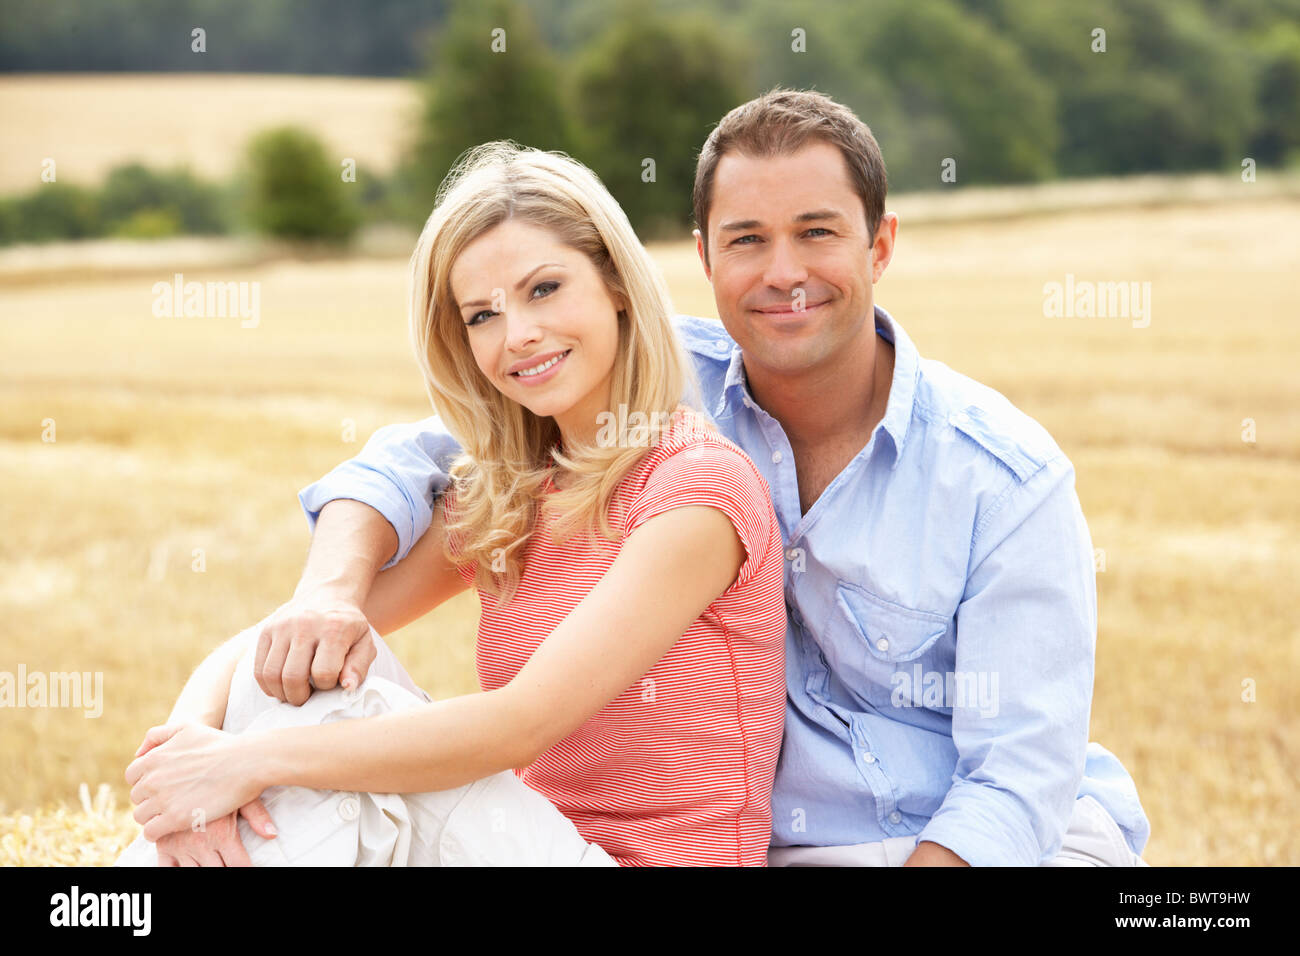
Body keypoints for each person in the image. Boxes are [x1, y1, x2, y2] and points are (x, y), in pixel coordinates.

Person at [267, 88, 1153, 867]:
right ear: (702, 258)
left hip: (1000, 847)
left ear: (880, 245)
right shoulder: (645, 380)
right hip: (796, 848)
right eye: (747, 240)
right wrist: (329, 595)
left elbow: (1018, 779)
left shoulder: (1004, 478)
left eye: (817, 234)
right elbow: (419, 459)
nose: (783, 274)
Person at [118, 142, 788, 867]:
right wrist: (184, 763)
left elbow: (517, 727)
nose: (518, 335)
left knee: (340, 709)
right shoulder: (511, 491)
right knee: (318, 661)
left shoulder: (697, 488)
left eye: (544, 289)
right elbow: (277, 645)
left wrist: (249, 764)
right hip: (515, 848)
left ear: (616, 285)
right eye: (481, 316)